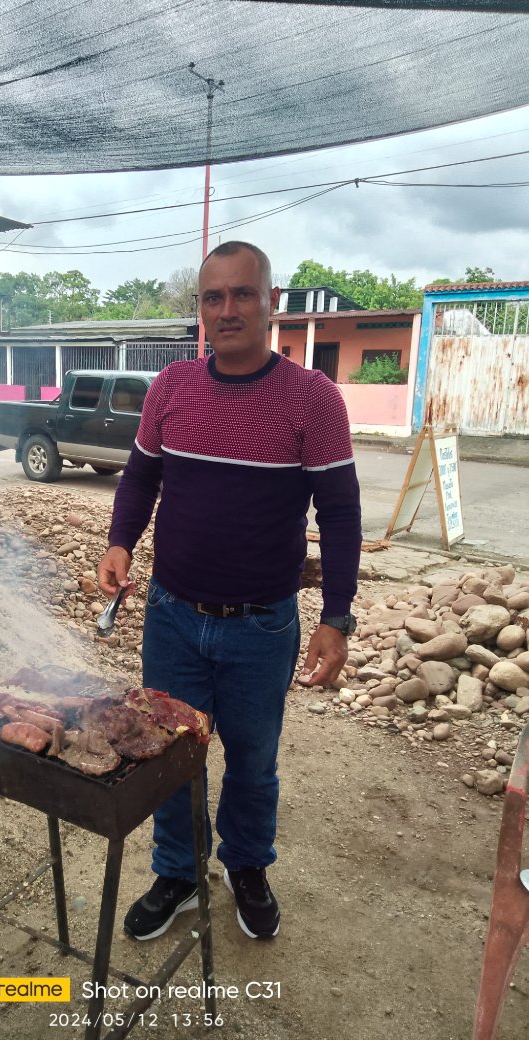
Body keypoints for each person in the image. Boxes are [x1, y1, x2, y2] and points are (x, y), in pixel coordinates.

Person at [97, 241, 361, 941]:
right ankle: (179, 873)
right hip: (173, 616)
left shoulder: (313, 400)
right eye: (213, 297)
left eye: (244, 294)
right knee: (173, 755)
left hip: (261, 627)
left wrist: (338, 616)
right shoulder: (172, 389)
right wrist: (121, 541)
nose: (228, 309)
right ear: (201, 312)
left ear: (273, 302)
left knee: (252, 761)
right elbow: (141, 478)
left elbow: (339, 513)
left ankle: (246, 865)